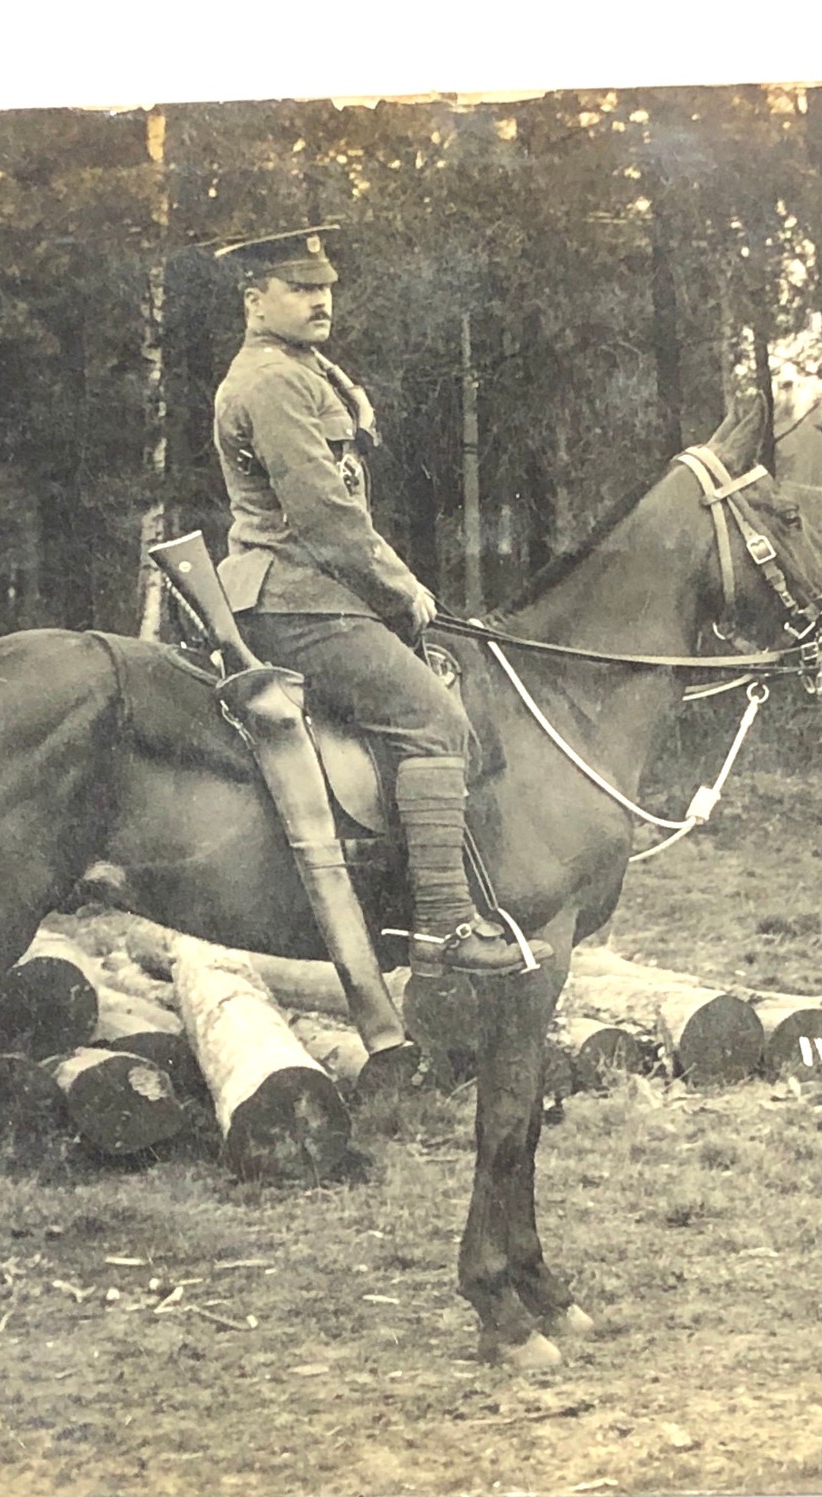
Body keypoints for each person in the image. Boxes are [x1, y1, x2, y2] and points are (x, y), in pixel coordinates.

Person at [208, 225, 541, 977]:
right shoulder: (270, 381)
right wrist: (400, 589)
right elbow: (325, 514)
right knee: (434, 721)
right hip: (295, 598)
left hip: (315, 593)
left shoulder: (306, 367)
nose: (320, 300)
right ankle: (446, 927)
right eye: (299, 288)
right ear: (255, 300)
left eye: (324, 287)